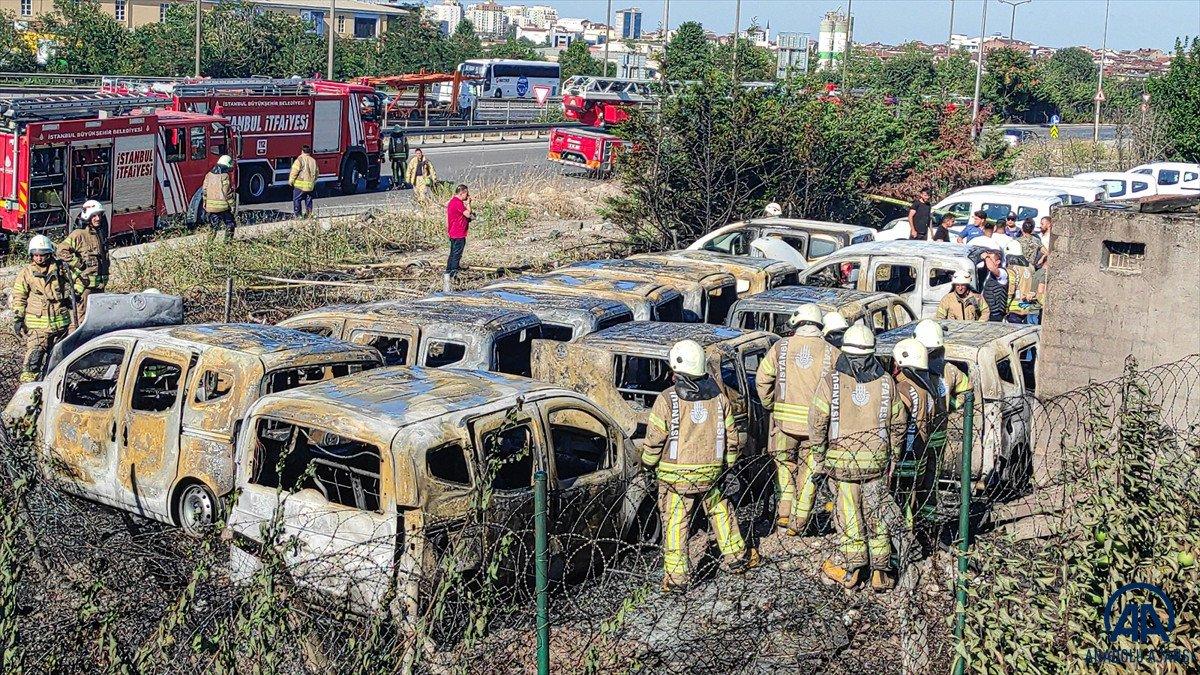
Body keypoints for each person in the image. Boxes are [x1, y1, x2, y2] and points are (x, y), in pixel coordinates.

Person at [642, 340, 759, 591]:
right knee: (721, 512)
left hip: (676, 478)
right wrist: (727, 466)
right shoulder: (719, 398)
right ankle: (737, 558)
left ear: (676, 370)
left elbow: (654, 439)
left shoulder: (667, 399)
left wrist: (648, 464)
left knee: (676, 523)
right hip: (712, 473)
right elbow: (732, 437)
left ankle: (677, 578)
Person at [809, 325, 907, 591]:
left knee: (849, 515)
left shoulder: (831, 381)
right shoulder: (886, 382)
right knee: (876, 516)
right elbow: (899, 423)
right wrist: (894, 456)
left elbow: (817, 422)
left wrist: (819, 456)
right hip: (876, 463)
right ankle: (880, 573)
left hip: (841, 464)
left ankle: (853, 570)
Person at [755, 304, 840, 536]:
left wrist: (771, 405)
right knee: (809, 473)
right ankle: (798, 523)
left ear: (797, 324)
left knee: (784, 467)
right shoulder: (832, 353)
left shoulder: (780, 347)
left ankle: (783, 514)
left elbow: (762, 379)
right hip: (817, 429)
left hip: (783, 426)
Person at [891, 338, 947, 546]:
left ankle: (906, 542)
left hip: (904, 455)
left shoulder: (903, 389)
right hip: (920, 453)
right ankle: (919, 534)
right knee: (913, 497)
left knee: (900, 500)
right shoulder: (927, 388)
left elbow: (897, 424)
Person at [11, 236, 73, 383]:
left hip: (61, 326)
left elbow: (75, 281)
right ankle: (29, 390)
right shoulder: (26, 273)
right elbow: (19, 296)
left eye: (42, 254)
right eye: (36, 255)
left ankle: (53, 388)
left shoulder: (61, 269)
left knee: (58, 364)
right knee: (33, 362)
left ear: (49, 254)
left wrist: (72, 297)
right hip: (38, 328)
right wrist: (18, 318)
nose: (39, 258)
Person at [57, 200, 109, 324]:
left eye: (99, 215)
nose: (98, 218)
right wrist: (77, 263)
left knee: (98, 321)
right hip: (85, 289)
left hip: (99, 287)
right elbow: (61, 250)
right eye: (94, 215)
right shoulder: (79, 234)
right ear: (87, 216)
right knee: (83, 322)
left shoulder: (100, 234)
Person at [914, 320, 971, 414]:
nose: (928, 353)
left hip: (940, 420)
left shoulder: (949, 370)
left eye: (931, 350)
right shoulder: (906, 370)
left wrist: (954, 404)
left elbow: (967, 389)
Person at [444, 184, 473, 292]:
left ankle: (448, 273)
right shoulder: (458, 203)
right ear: (462, 193)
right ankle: (453, 275)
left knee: (452, 254)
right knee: (456, 255)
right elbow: (468, 214)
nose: (467, 195)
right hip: (458, 233)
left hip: (453, 232)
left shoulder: (452, 202)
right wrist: (468, 204)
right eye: (466, 193)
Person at [1003, 240, 1037, 324]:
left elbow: (1010, 290)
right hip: (1029, 306)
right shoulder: (1031, 267)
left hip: (1015, 309)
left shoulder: (1011, 269)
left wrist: (1005, 307)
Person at [203, 155, 236, 241]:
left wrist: (205, 203)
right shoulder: (225, 176)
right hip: (223, 207)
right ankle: (227, 243)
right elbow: (227, 192)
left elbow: (205, 190)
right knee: (230, 224)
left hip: (211, 208)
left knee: (213, 226)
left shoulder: (208, 175)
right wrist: (232, 205)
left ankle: (209, 244)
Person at [289, 145, 319, 217]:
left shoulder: (299, 160)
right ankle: (309, 215)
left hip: (300, 185)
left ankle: (298, 215)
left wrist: (291, 180)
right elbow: (317, 172)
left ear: (302, 151)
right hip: (310, 185)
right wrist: (313, 181)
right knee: (308, 200)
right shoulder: (313, 161)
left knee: (297, 199)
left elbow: (294, 171)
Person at [981, 250, 1009, 322]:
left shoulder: (1002, 272)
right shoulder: (988, 274)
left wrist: (986, 257)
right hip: (988, 311)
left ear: (998, 262)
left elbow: (991, 267)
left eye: (990, 259)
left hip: (996, 313)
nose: (987, 260)